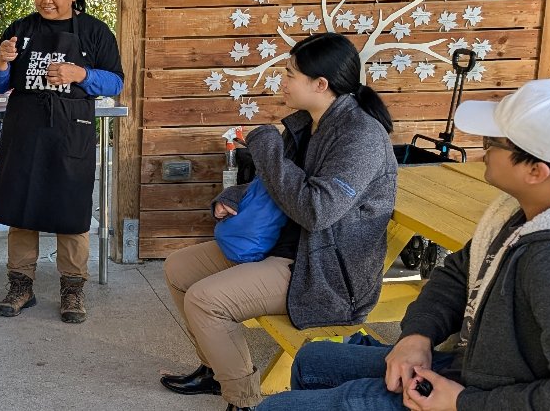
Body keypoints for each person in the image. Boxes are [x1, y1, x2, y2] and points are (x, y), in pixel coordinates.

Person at [259, 78, 550, 411]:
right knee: (314, 360)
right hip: (478, 361)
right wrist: (418, 335)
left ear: (535, 171)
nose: (481, 152)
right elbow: (458, 272)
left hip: (489, 393)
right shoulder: (523, 211)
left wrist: (462, 402)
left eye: (491, 143)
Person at [158, 32, 398, 411]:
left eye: (289, 75)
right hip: (283, 246)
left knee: (206, 301)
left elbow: (316, 211)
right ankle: (216, 368)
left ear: (320, 85)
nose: (281, 83)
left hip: (323, 272)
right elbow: (273, 187)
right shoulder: (309, 122)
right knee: (179, 269)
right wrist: (230, 198)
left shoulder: (360, 137)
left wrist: (267, 147)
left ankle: (244, 400)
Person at [0, 0, 123, 324]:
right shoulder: (20, 28)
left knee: (71, 212)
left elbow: (116, 83)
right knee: (21, 209)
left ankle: (73, 290)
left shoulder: (94, 32)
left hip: (71, 132)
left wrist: (81, 73)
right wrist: (0, 62)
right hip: (26, 131)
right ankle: (20, 285)